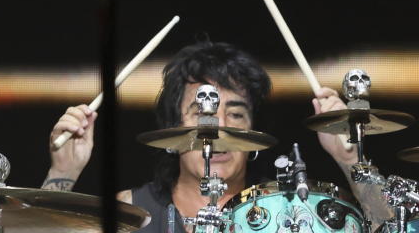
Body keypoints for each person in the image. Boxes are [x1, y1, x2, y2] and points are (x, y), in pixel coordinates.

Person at [43, 40, 391, 232]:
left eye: (236, 114)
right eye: (202, 112)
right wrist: (64, 172)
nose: (219, 128)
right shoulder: (128, 214)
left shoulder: (291, 211)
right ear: (172, 131)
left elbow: (394, 228)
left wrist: (350, 159)